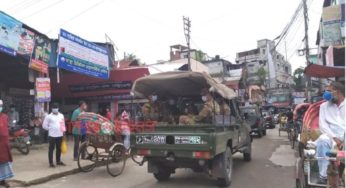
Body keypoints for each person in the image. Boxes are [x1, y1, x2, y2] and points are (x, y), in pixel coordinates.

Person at [315, 82, 345, 184]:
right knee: (322, 141)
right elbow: (323, 125)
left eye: (329, 91)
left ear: (338, 92)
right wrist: (335, 138)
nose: (326, 93)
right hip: (330, 136)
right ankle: (323, 175)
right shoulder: (324, 106)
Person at [42, 103, 66, 168]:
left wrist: (64, 133)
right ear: (52, 109)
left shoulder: (61, 115)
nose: (55, 109)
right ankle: (51, 163)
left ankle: (58, 161)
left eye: (56, 107)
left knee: (59, 149)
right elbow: (44, 126)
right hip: (52, 136)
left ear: (58, 108)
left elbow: (63, 124)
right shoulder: (48, 116)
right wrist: (50, 128)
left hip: (60, 135)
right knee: (51, 149)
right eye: (54, 107)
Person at [0, 100, 14, 188]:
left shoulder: (5, 116)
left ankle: (2, 180)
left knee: (4, 163)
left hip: (4, 144)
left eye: (1, 105)